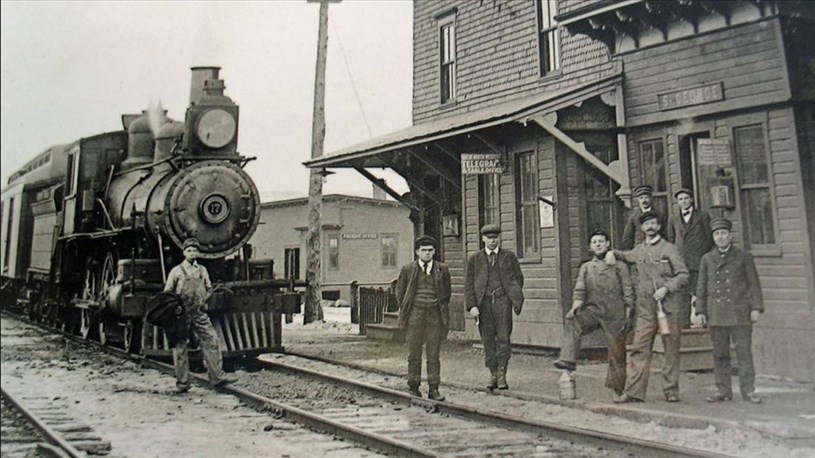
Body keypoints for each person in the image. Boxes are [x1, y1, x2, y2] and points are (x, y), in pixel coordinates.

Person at [607, 211, 689, 403]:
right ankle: (634, 392)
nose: (650, 227)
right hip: (646, 309)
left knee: (670, 350)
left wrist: (666, 288)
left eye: (653, 223)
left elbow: (683, 275)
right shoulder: (640, 250)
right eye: (646, 224)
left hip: (669, 308)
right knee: (639, 348)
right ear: (642, 228)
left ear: (658, 226)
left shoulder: (669, 249)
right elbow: (625, 256)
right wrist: (612, 253)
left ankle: (671, 389)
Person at [554, 229, 635, 401]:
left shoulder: (619, 266)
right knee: (573, 321)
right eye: (594, 242)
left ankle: (617, 390)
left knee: (617, 352)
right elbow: (580, 290)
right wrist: (575, 307)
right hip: (594, 310)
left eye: (601, 241)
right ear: (591, 247)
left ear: (608, 244)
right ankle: (567, 361)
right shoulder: (586, 267)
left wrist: (629, 312)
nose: (598, 244)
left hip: (615, 313)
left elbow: (628, 290)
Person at [695, 218, 764, 404]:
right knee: (720, 354)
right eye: (717, 234)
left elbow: (753, 284)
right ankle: (723, 390)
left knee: (744, 353)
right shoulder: (707, 259)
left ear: (730, 236)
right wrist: (700, 311)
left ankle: (748, 390)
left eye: (724, 233)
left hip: (739, 312)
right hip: (716, 313)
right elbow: (701, 286)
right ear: (713, 238)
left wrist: (756, 308)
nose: (721, 237)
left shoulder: (743, 256)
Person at [164, 237, 236, 393]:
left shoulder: (202, 270)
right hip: (181, 314)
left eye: (194, 250)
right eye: (189, 250)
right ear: (184, 253)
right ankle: (182, 383)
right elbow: (168, 292)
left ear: (198, 253)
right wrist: (175, 307)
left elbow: (209, 288)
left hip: (198, 312)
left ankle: (217, 376)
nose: (192, 253)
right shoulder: (176, 271)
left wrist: (204, 300)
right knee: (180, 347)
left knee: (211, 339)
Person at [465, 224, 524, 390]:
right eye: (489, 238)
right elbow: (469, 284)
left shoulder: (508, 257)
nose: (492, 241)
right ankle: (493, 373)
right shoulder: (475, 259)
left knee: (504, 338)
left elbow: (518, 278)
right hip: (483, 304)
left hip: (502, 302)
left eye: (495, 238)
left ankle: (502, 374)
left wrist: (512, 296)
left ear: (499, 238)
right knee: (488, 339)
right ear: (483, 239)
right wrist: (472, 306)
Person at [395, 235, 451, 401]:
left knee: (433, 354)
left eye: (430, 250)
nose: (427, 253)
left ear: (434, 252)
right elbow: (400, 293)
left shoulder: (442, 269)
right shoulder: (407, 269)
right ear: (417, 252)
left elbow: (446, 293)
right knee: (414, 354)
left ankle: (434, 388)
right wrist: (409, 309)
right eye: (424, 250)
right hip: (415, 316)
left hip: (434, 316)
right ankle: (414, 386)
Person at [666, 188, 713, 325]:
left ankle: (704, 322)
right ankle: (685, 324)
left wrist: (701, 253)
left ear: (691, 200)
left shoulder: (702, 216)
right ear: (677, 202)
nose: (684, 201)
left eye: (686, 198)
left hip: (698, 261)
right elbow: (671, 239)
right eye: (681, 199)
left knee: (700, 291)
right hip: (681, 264)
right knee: (682, 294)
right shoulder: (673, 218)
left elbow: (709, 238)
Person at [622, 185, 666, 250]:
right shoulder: (633, 217)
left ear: (651, 199)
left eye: (646, 197)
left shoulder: (660, 215)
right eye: (641, 198)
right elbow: (627, 237)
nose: (644, 200)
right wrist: (635, 251)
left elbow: (665, 235)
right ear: (638, 200)